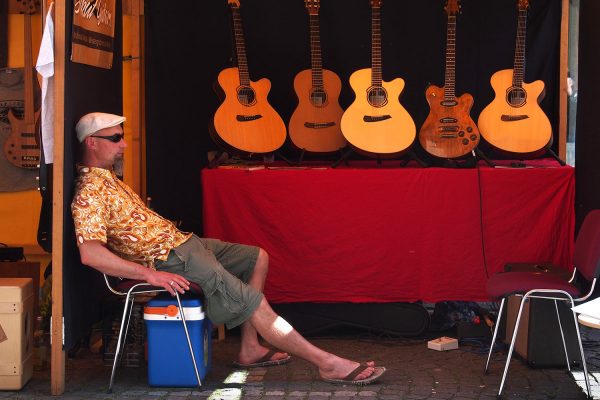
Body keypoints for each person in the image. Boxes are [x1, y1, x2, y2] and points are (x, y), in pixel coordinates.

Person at [71, 112, 386, 385]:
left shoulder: (109, 177)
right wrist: (148, 276)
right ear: (92, 143)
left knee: (256, 257)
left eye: (122, 137)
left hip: (183, 242)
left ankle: (250, 348)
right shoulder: (88, 192)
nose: (124, 144)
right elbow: (91, 254)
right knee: (254, 302)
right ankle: (327, 364)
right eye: (115, 138)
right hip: (169, 258)